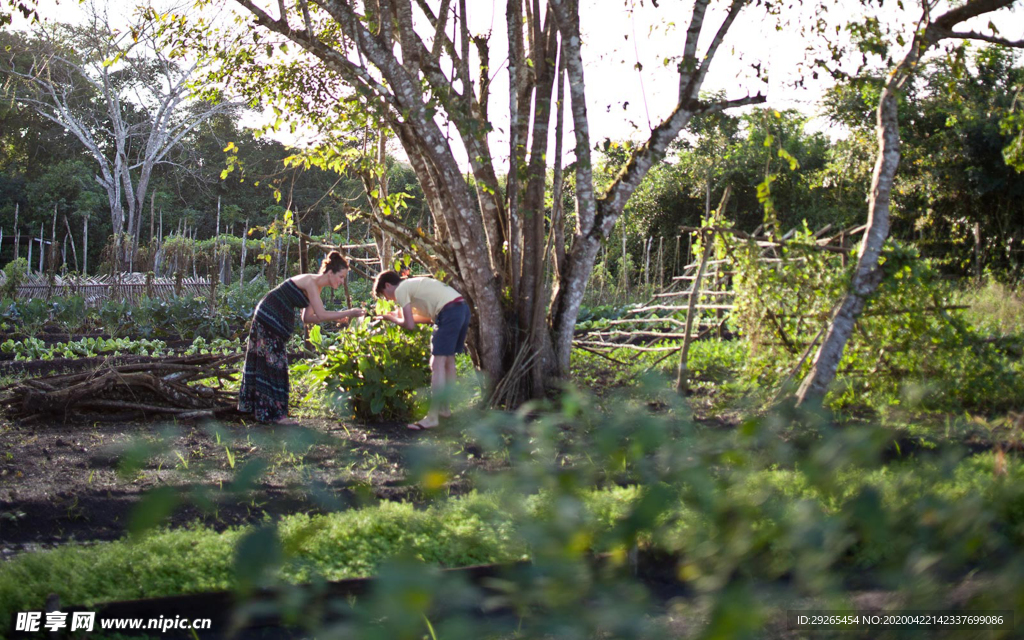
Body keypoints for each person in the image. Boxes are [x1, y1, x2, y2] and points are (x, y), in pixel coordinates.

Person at [239, 251, 365, 424]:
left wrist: (337, 316)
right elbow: (321, 314)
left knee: (274, 361)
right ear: (330, 273)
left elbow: (307, 318)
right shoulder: (312, 282)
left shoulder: (317, 288)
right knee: (275, 362)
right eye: (341, 277)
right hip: (269, 315)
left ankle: (266, 411)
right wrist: (349, 312)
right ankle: (274, 415)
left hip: (273, 317)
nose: (342, 281)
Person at [373, 270, 470, 431]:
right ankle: (445, 409)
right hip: (461, 308)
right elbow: (426, 319)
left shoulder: (401, 289)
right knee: (448, 361)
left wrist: (391, 318)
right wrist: (398, 316)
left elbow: (409, 325)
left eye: (384, 295)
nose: (388, 299)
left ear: (388, 285)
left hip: (449, 311)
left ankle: (432, 417)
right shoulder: (415, 288)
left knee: (437, 363)